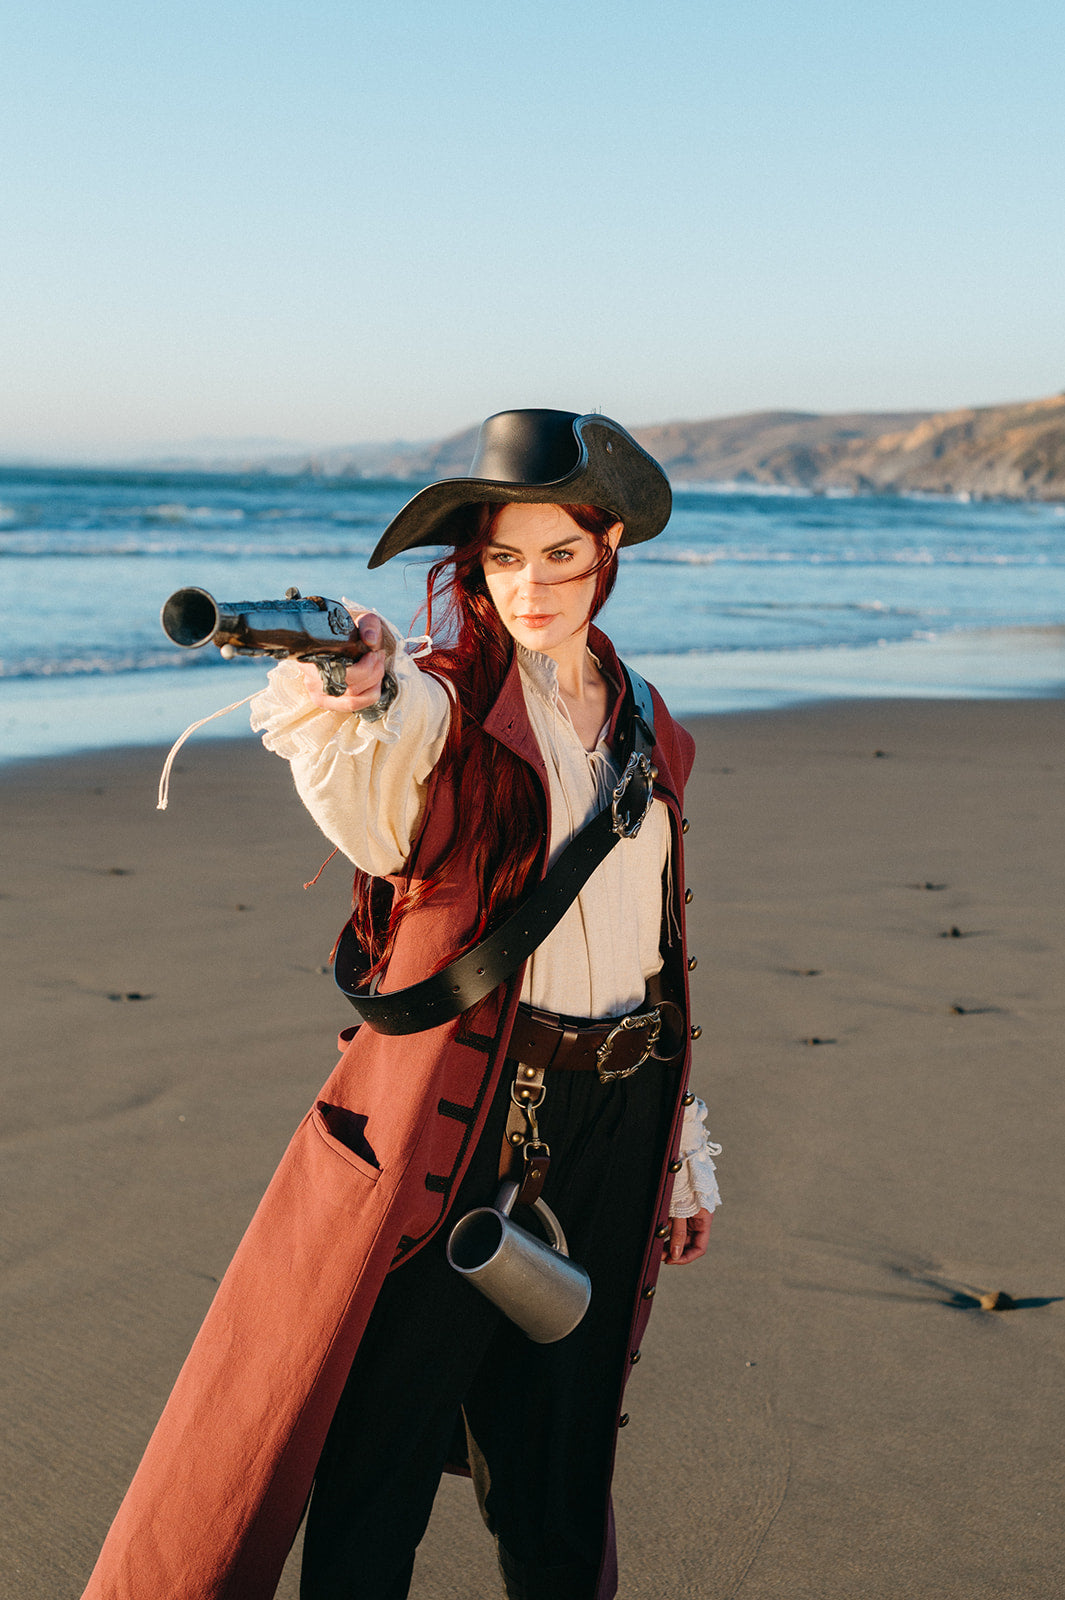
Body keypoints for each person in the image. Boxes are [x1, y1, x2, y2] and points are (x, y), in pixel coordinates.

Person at [82, 409, 720, 1600]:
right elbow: (390, 786)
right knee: (376, 1468)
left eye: (560, 555)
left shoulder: (653, 727)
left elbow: (656, 947)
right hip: (471, 1121)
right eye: (502, 558)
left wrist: (680, 1144)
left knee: (561, 1475)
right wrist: (354, 693)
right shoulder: (441, 705)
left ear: (611, 545)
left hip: (618, 1127)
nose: (530, 587)